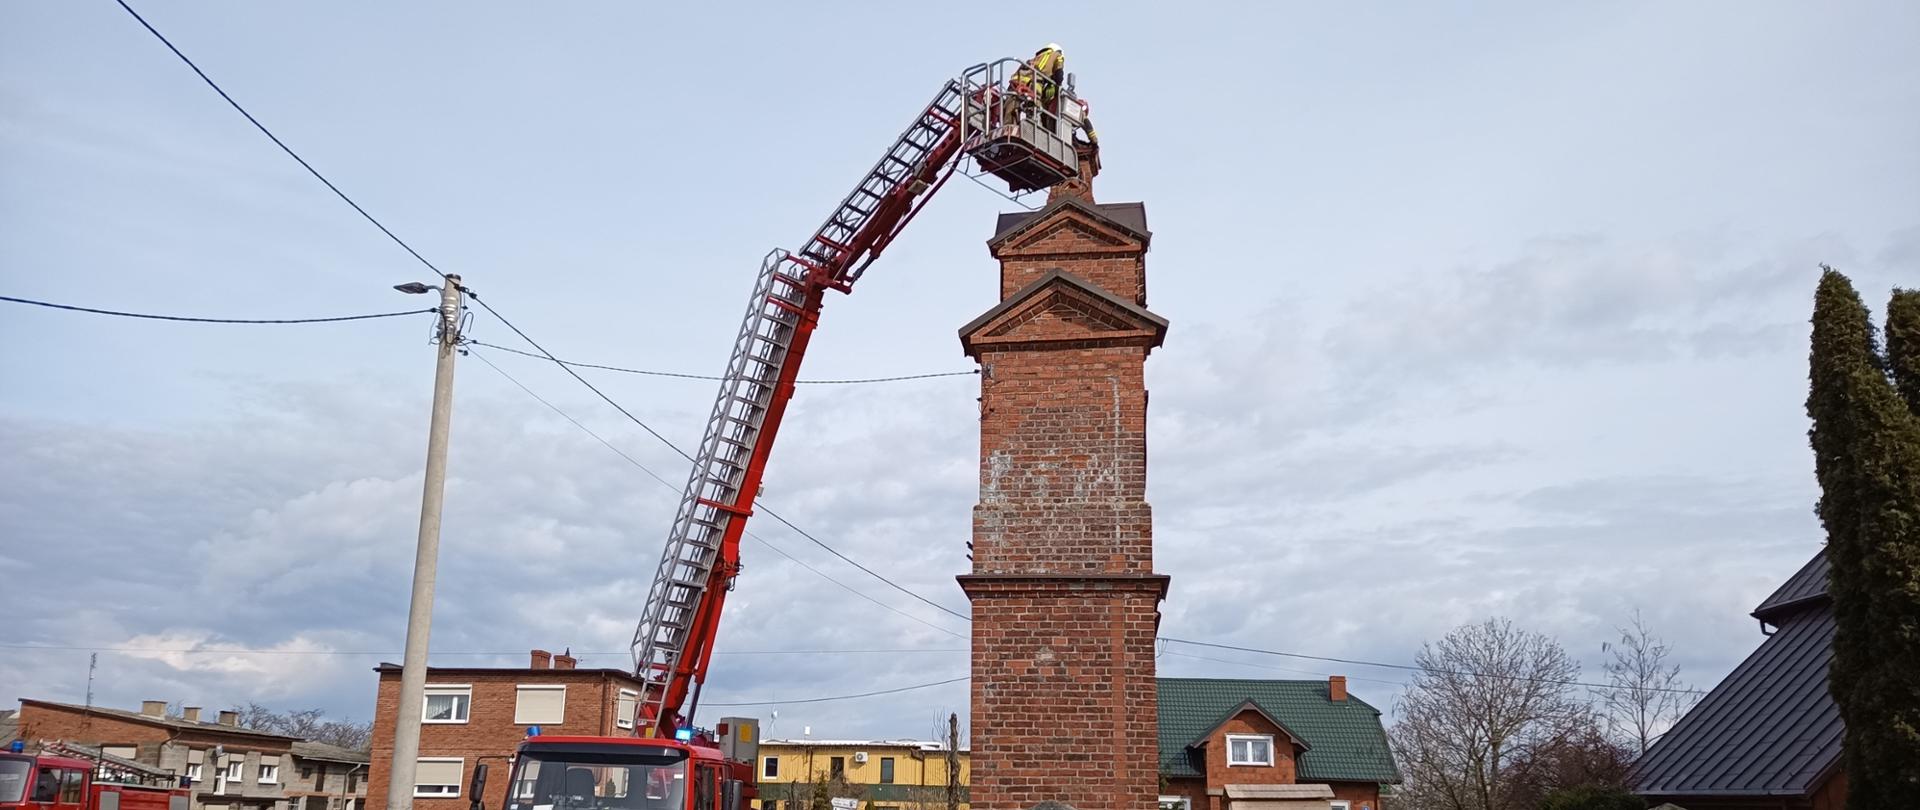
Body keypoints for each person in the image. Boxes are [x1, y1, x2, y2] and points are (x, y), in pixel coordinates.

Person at [1004, 43, 1065, 130]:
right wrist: (1057, 87)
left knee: (1010, 110)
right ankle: (1033, 126)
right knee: (1036, 106)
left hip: (1014, 85)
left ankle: (1008, 128)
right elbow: (1059, 75)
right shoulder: (1057, 55)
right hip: (1033, 84)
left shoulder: (1032, 60)